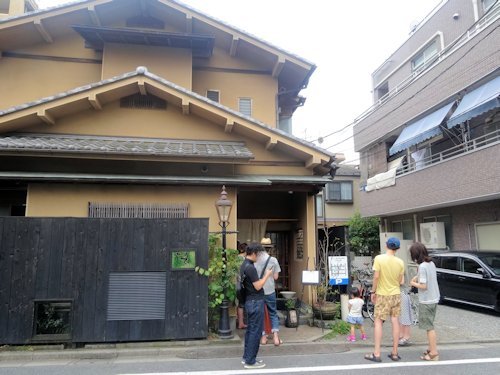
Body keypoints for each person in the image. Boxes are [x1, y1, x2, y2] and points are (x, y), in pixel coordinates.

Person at [364, 237, 405, 363]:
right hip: (396, 294)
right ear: (397, 248)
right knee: (395, 321)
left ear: (386, 245)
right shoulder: (400, 262)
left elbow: (376, 277)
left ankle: (376, 353)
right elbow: (401, 281)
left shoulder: (379, 259)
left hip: (382, 294)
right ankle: (394, 353)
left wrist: (373, 291)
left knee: (378, 322)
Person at [240, 242, 274, 369]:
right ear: (253, 254)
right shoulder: (250, 268)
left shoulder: (244, 265)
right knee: (255, 332)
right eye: (258, 255)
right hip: (255, 302)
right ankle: (250, 361)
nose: (259, 257)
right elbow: (258, 286)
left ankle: (247, 357)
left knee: (250, 331)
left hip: (249, 301)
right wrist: (266, 275)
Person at [409, 242, 440, 361]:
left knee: (429, 327)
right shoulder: (430, 263)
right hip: (434, 297)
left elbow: (423, 286)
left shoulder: (422, 266)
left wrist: (412, 283)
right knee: (430, 325)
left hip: (427, 300)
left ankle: (433, 353)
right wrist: (417, 277)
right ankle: (430, 348)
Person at [254, 245, 282, 346]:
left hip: (259, 291)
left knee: (261, 314)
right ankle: (275, 337)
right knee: (273, 313)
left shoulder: (255, 260)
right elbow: (275, 277)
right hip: (270, 290)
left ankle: (264, 337)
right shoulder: (273, 260)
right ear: (269, 249)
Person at [237, 242, 248, 329]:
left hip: (237, 284)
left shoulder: (237, 258)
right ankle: (241, 322)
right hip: (241, 284)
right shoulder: (243, 259)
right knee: (242, 304)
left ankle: (241, 322)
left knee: (240, 304)